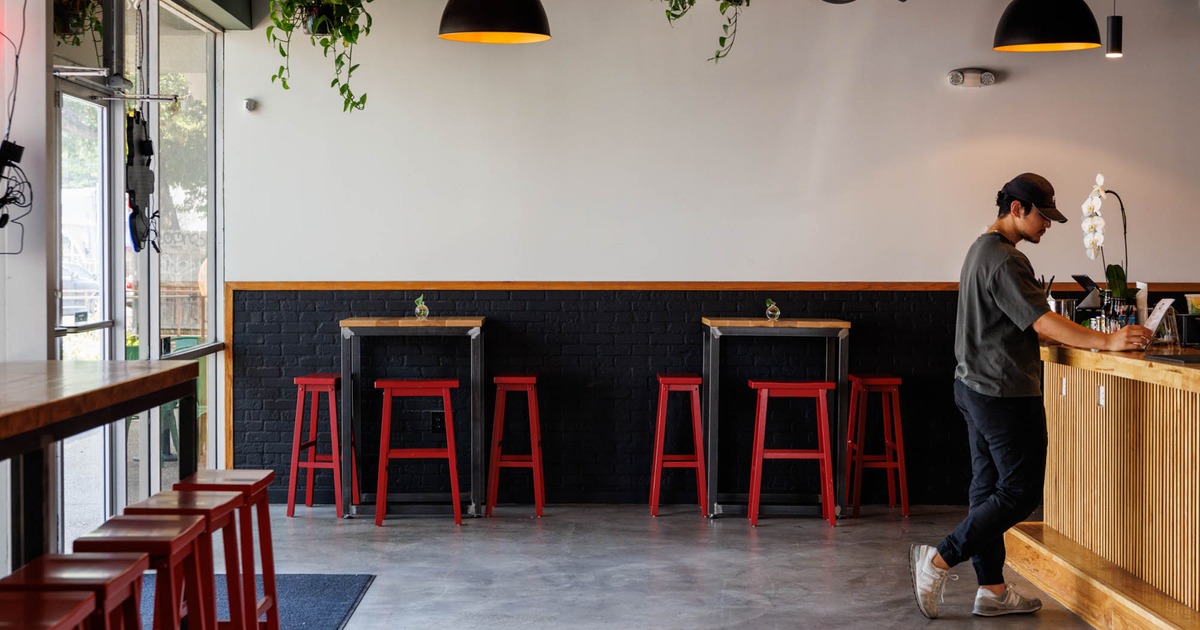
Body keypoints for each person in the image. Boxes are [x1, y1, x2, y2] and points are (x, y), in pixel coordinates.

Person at [909, 173, 1152, 619]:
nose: (1049, 225)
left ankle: (993, 590)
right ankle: (940, 558)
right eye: (1044, 216)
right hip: (1003, 391)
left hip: (974, 385)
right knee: (1020, 493)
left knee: (987, 492)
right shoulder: (1004, 259)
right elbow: (1042, 322)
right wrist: (1108, 341)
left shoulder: (980, 249)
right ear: (1017, 209)